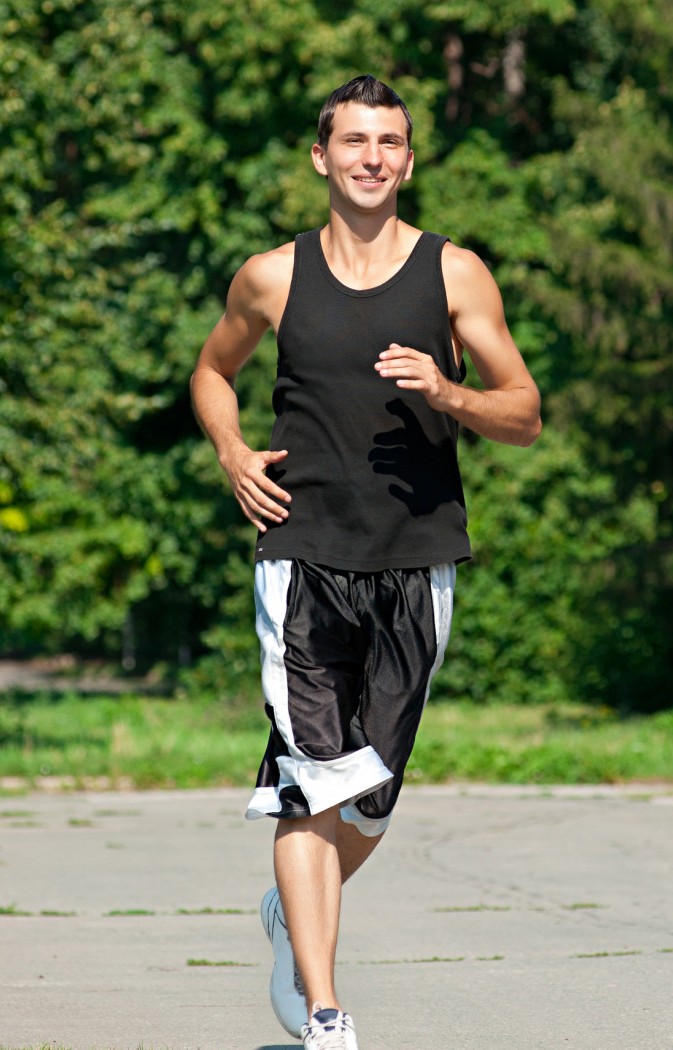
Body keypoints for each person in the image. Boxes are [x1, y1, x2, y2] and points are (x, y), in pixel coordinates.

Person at [189, 75, 542, 1050]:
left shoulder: (455, 275)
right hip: (302, 556)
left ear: (410, 159)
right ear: (322, 157)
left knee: (371, 796)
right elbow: (211, 370)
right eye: (355, 141)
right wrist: (230, 454)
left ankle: (291, 916)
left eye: (390, 141)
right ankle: (327, 1011)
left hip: (417, 557)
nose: (373, 156)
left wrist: (451, 395)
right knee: (309, 777)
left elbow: (524, 411)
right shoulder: (273, 277)